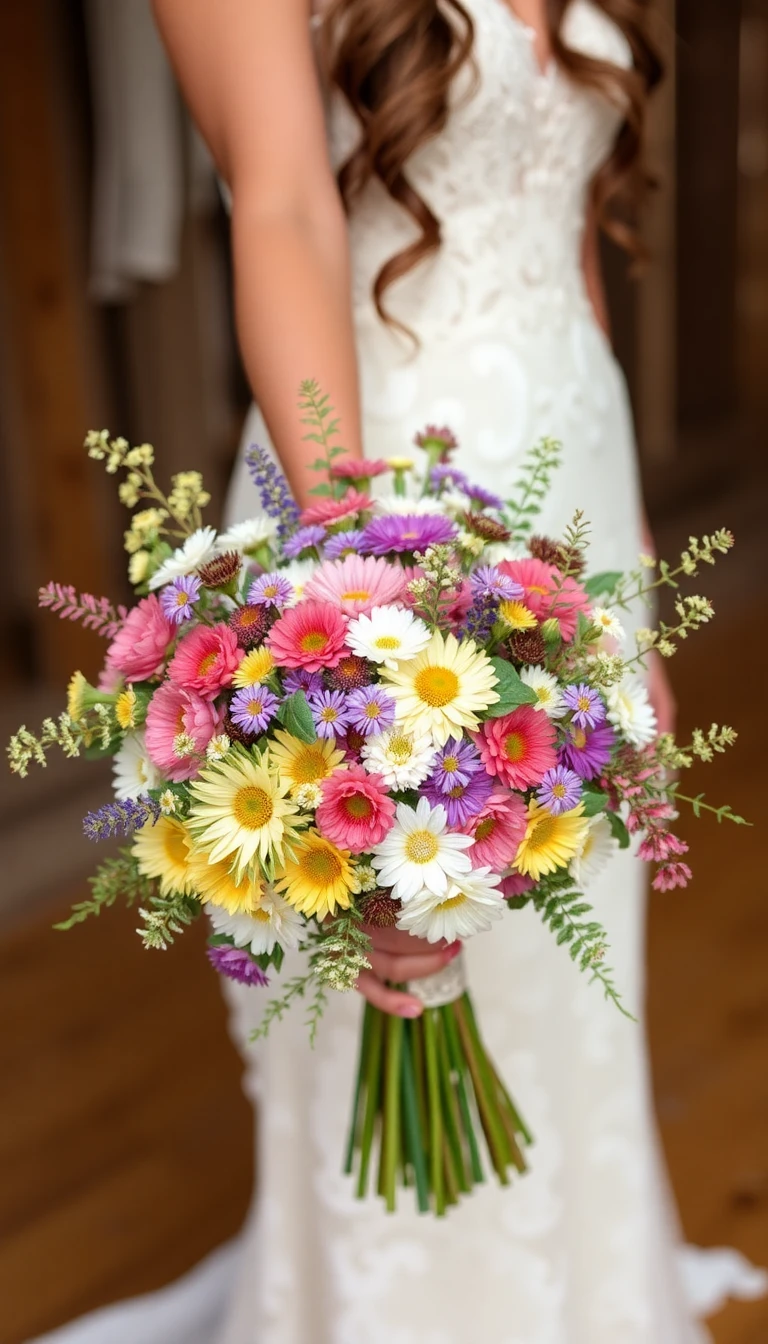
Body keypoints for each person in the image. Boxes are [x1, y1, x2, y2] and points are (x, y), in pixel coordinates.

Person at [158, 0, 693, 1339]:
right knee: (394, 981)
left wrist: (623, 571)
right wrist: (356, 618)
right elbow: (281, 205)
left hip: (571, 488)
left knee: (570, 970)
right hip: (384, 492)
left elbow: (567, 235)